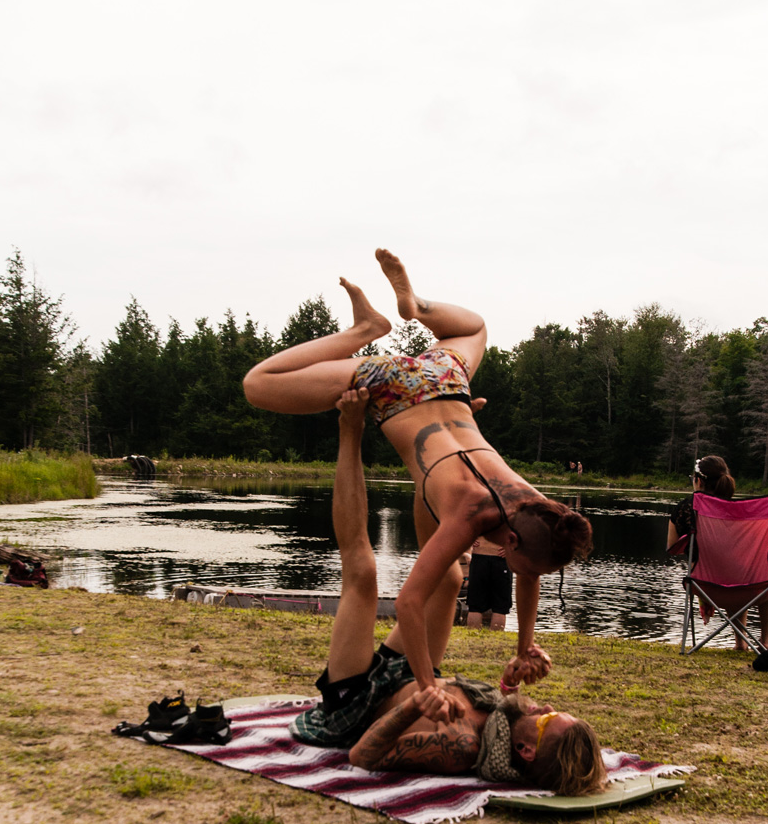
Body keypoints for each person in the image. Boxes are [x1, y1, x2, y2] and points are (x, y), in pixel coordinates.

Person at [243, 250, 593, 716]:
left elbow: (530, 569)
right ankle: (364, 332)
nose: (522, 575)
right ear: (509, 540)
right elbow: (408, 601)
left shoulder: (539, 511)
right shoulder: (470, 512)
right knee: (259, 383)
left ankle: (417, 307)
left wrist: (525, 646)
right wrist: (429, 687)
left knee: (475, 328)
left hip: (447, 379)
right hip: (391, 389)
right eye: (519, 563)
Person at [290, 387, 606, 796]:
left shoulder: (460, 747)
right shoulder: (508, 725)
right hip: (411, 675)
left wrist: (417, 701)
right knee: (450, 579)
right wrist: (518, 661)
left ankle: (349, 430)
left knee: (362, 574)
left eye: (547, 719)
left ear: (526, 751)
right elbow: (530, 574)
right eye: (555, 710)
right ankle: (440, 451)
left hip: (358, 701)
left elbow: (362, 757)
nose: (545, 706)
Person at [666, 454, 768, 651]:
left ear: (698, 481)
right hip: (752, 586)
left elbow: (672, 548)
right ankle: (765, 643)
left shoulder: (685, 508)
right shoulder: (741, 511)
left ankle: (741, 643)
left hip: (704, 586)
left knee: (728, 571)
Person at [465, 534, 512, 631]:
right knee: (499, 607)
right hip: (496, 555)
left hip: (483, 554)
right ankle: (493, 637)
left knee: (476, 606)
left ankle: (473, 635)